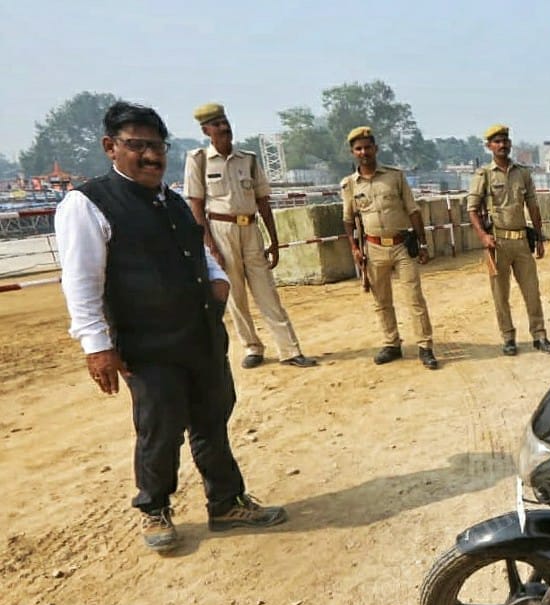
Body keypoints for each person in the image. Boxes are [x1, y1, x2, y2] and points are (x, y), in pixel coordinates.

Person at [55, 101, 289, 553]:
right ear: (110, 148)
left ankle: (226, 503)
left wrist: (219, 283)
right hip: (147, 344)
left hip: (199, 336)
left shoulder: (172, 200)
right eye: (136, 146)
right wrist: (97, 346)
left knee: (212, 419)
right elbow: (81, 281)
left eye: (157, 146)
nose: (150, 156)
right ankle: (155, 507)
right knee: (160, 427)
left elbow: (199, 250)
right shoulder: (88, 205)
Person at [184, 102, 318, 370]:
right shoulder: (198, 160)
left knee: (266, 291)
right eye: (217, 124)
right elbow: (196, 206)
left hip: (251, 230)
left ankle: (289, 350)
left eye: (225, 121)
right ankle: (252, 347)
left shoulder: (249, 160)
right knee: (235, 295)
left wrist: (274, 240)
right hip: (220, 230)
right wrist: (210, 246)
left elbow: (263, 202)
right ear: (206, 129)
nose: (224, 127)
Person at [340, 126, 439, 369]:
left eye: (367, 147)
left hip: (401, 247)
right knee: (381, 301)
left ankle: (425, 346)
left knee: (414, 298)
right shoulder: (350, 185)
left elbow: (413, 210)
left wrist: (422, 242)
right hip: (373, 250)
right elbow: (348, 219)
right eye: (358, 149)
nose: (364, 152)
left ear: (376, 148)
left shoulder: (395, 177)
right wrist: (354, 247)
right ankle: (391, 343)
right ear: (353, 153)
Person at [467, 124, 550, 356]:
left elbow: (533, 205)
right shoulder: (483, 175)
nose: (502, 145)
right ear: (489, 146)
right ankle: (508, 338)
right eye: (497, 141)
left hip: (521, 242)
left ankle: (539, 335)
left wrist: (539, 237)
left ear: (510, 143)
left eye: (505, 140)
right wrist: (483, 236)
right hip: (497, 242)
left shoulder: (522, 173)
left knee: (532, 291)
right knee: (500, 294)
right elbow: (472, 209)